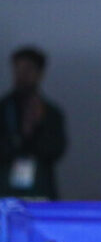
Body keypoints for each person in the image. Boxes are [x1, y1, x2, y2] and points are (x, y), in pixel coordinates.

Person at [0, 47, 67, 200]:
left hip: (39, 185)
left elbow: (57, 148)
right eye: (18, 69)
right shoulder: (3, 109)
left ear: (40, 73)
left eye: (28, 69)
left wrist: (35, 130)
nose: (22, 75)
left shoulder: (51, 112)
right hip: (5, 184)